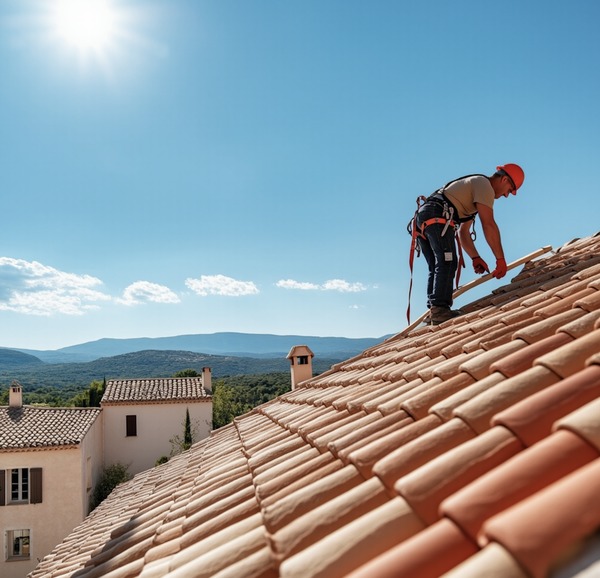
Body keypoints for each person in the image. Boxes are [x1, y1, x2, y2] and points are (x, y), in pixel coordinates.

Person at [414, 163, 525, 325]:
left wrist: (475, 257)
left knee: (437, 264)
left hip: (425, 217)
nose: (507, 195)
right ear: (504, 179)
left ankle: (434, 309)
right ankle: (439, 310)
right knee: (447, 261)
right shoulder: (484, 185)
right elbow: (489, 224)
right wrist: (500, 259)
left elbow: (463, 233)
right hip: (435, 214)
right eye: (509, 190)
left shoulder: (476, 190)